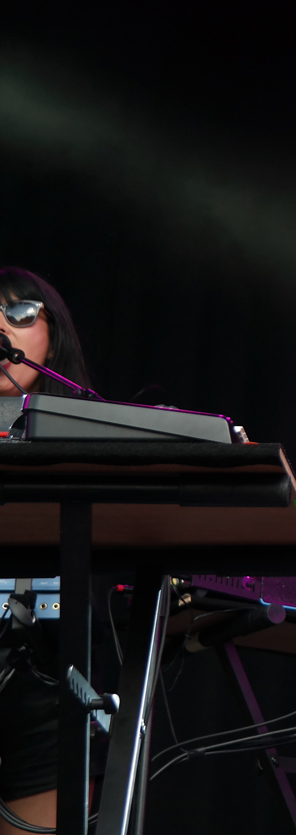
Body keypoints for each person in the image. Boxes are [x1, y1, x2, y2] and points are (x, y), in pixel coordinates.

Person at [0, 267, 94, 834]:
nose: (0, 330)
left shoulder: (87, 435)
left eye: (18, 314)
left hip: (47, 685)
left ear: (52, 338)